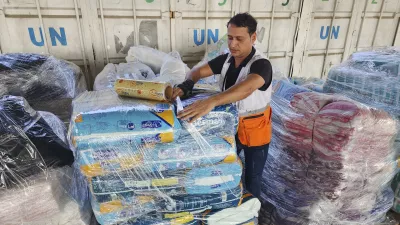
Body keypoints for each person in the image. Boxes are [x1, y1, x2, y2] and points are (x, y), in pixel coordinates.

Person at [172, 13, 272, 199]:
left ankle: (252, 214)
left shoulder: (261, 64)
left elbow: (247, 88)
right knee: (224, 169)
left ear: (253, 38)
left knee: (252, 178)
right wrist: (188, 84)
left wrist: (212, 101)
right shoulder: (226, 60)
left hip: (254, 130)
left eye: (239, 39)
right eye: (230, 38)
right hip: (229, 126)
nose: (233, 44)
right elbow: (197, 71)